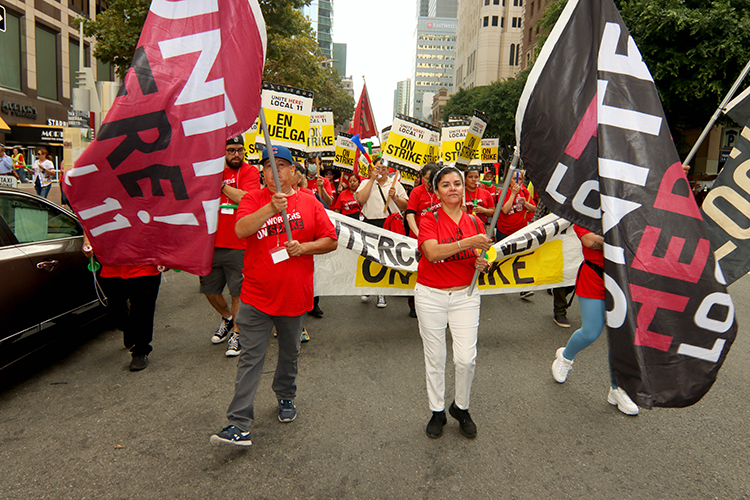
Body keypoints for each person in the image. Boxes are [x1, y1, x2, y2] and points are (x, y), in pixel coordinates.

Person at [211, 145, 337, 447]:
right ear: (262, 173)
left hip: (294, 295)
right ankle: (238, 422)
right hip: (256, 296)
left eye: (281, 165)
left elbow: (330, 239)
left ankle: (285, 395)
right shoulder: (254, 199)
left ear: (294, 172)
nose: (274, 171)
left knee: (289, 353)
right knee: (250, 357)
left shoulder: (310, 202)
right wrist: (270, 208)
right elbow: (241, 229)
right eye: (268, 166)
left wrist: (304, 248)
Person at [415, 165, 492, 440]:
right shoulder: (429, 218)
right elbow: (432, 253)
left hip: (465, 296)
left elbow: (485, 259)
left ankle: (461, 407)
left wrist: (484, 264)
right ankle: (437, 411)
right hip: (431, 296)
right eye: (445, 184)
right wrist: (467, 243)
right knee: (435, 357)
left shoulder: (475, 221)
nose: (453, 189)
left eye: (457, 183)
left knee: (465, 359)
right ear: (436, 191)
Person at [551, 225, 639, 416]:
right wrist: (622, 242)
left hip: (623, 279)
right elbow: (590, 241)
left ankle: (618, 388)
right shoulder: (586, 210)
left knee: (622, 336)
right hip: (594, 276)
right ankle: (565, 357)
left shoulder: (622, 207)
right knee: (591, 331)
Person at [202, 136, 261, 357]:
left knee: (237, 290)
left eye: (240, 150)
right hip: (210, 244)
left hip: (239, 243)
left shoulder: (250, 172)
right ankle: (227, 318)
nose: (236, 154)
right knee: (209, 289)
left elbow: (247, 198)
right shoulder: (210, 169)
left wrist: (222, 185)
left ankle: (237, 332)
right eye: (231, 150)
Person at [82, 236, 162, 371]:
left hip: (145, 264)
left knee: (143, 309)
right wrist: (87, 240)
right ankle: (128, 327)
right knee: (115, 310)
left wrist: (168, 257)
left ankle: (140, 351)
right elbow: (91, 218)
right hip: (112, 264)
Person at [355, 156, 409, 308]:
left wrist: (395, 197)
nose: (381, 172)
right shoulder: (366, 183)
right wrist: (371, 180)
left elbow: (405, 205)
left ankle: (381, 293)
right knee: (369, 256)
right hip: (370, 223)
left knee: (384, 257)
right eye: (377, 168)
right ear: (372, 169)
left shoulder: (395, 184)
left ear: (388, 170)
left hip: (388, 224)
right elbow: (361, 199)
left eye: (383, 169)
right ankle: (367, 287)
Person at [496, 169, 536, 299]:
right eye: (514, 179)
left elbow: (534, 209)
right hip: (504, 230)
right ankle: (498, 281)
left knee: (521, 258)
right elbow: (505, 210)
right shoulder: (504, 192)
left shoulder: (526, 191)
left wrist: (525, 203)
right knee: (503, 258)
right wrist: (513, 194)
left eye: (519, 179)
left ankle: (524, 289)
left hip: (520, 230)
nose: (517, 182)